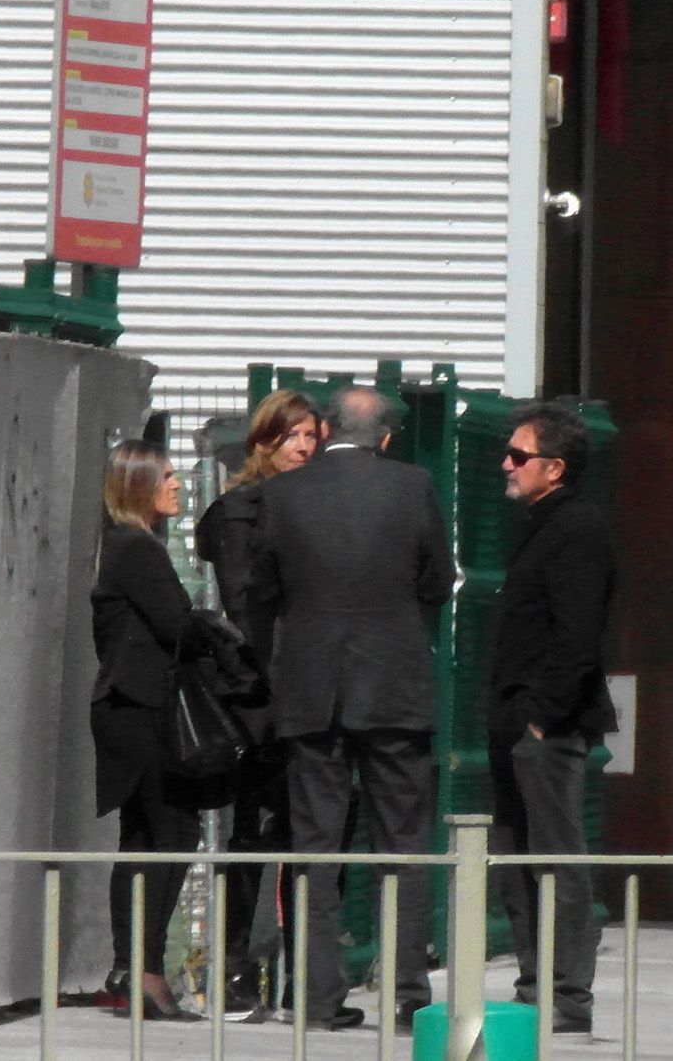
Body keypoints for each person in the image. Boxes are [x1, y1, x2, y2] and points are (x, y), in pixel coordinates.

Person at [252, 386, 455, 1031]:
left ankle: (316, 996)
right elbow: (438, 579)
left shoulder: (283, 493)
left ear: (325, 428)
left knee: (314, 845)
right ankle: (408, 992)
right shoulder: (413, 486)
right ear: (386, 438)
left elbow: (262, 588)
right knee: (404, 842)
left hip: (312, 687)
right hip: (393, 685)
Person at [486, 400, 615, 1034]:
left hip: (547, 725)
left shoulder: (577, 528)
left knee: (556, 855)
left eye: (519, 455)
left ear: (555, 467)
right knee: (516, 856)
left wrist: (543, 717)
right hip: (517, 720)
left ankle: (567, 995)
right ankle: (534, 984)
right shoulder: (542, 524)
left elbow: (576, 634)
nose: (506, 464)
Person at [193, 389, 320, 1017]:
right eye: (292, 435)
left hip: (311, 692)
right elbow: (247, 607)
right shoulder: (240, 511)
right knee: (253, 834)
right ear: (264, 441)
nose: (304, 447)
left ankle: (305, 975)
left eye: (312, 436)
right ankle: (238, 968)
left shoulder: (317, 504)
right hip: (260, 697)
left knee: (308, 836)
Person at [89, 440, 205, 1022]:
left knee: (145, 837)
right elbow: (178, 625)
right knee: (170, 835)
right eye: (166, 476)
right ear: (138, 486)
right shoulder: (136, 548)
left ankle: (133, 967)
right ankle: (144, 969)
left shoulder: (126, 544)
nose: (177, 484)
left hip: (129, 708)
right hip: (143, 709)